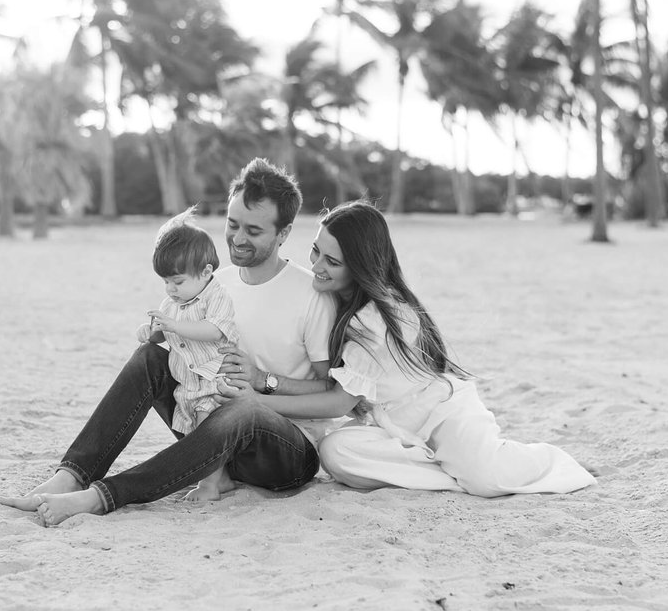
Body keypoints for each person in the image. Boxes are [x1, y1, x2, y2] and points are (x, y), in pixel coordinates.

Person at [0, 158, 338, 526]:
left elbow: (333, 395)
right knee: (150, 358)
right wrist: (161, 333)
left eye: (253, 231)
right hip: (211, 436)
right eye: (232, 224)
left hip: (285, 453)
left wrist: (264, 386)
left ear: (284, 232)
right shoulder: (212, 284)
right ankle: (71, 477)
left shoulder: (310, 294)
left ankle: (101, 497)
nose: (238, 238)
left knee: (244, 410)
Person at [218, 200, 597, 497]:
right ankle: (448, 472)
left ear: (360, 266)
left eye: (332, 261)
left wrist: (257, 401)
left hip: (442, 413)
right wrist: (263, 379)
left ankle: (531, 463)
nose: (316, 265)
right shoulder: (332, 301)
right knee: (336, 452)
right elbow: (333, 390)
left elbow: (337, 403)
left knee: (486, 478)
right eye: (315, 251)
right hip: (390, 426)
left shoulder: (379, 316)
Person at [139, 207, 240, 501]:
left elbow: (214, 330)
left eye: (178, 282)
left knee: (206, 429)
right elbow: (164, 332)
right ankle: (217, 479)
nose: (170, 289)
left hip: (214, 380)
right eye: (166, 282)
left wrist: (176, 325)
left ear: (206, 272)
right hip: (188, 385)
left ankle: (211, 484)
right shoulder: (172, 304)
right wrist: (152, 332)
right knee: (192, 432)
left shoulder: (216, 295)